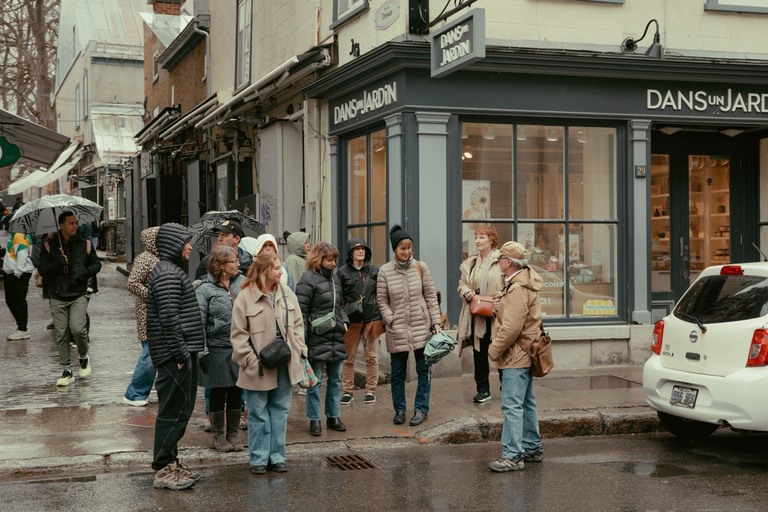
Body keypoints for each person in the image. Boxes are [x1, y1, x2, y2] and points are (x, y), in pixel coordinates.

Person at [231, 251, 308, 475]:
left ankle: (277, 457)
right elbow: (237, 335)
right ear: (264, 270)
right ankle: (258, 459)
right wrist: (250, 361)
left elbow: (299, 325)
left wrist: (300, 350)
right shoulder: (245, 297)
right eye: (277, 268)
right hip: (257, 367)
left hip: (285, 363)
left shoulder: (287, 293)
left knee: (281, 411)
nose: (281, 271)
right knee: (257, 413)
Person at [146, 222, 205, 490]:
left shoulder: (168, 270)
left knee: (179, 410)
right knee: (173, 412)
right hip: (175, 356)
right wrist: (181, 354)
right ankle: (163, 469)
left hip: (178, 353)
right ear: (173, 244)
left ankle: (171, 461)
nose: (190, 246)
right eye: (186, 242)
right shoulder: (168, 273)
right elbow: (169, 318)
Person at [487, 241, 544, 473]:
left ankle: (513, 455)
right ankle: (531, 447)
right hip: (524, 352)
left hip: (515, 355)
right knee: (526, 402)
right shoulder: (520, 282)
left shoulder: (518, 288)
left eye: (499, 258)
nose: (498, 262)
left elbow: (511, 328)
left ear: (508, 262)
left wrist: (493, 350)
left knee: (511, 405)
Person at [377, 225, 441, 427]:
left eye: (409, 248)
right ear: (395, 249)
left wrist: (436, 322)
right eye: (402, 248)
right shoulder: (385, 271)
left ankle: (421, 409)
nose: (406, 252)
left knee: (424, 370)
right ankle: (400, 409)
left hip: (421, 327)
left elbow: (431, 296)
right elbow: (381, 300)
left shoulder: (421, 267)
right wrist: (391, 319)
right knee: (397, 373)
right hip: (397, 329)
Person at [38, 211, 101, 387]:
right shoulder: (49, 246)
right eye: (71, 223)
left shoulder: (86, 244)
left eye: (76, 223)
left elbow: (96, 264)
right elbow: (42, 269)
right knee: (62, 332)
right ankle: (66, 370)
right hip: (57, 295)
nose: (75, 226)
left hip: (78, 294)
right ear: (62, 226)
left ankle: (83, 356)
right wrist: (58, 263)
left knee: (78, 329)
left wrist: (85, 272)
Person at [295, 241, 349, 437]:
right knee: (314, 381)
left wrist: (345, 322)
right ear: (318, 258)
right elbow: (301, 311)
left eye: (335, 259)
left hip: (336, 335)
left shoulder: (334, 279)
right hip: (316, 338)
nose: (334, 263)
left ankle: (333, 416)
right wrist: (303, 341)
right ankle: (314, 419)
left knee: (335, 379)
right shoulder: (307, 279)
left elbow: (341, 305)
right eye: (329, 259)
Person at [196, 245, 246, 453]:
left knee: (236, 389)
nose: (238, 264)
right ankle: (218, 435)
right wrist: (202, 351)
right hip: (216, 348)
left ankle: (233, 434)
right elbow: (199, 322)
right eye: (234, 261)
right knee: (218, 390)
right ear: (221, 266)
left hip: (239, 346)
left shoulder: (242, 283)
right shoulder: (204, 289)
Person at [457, 226, 504, 403]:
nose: (477, 241)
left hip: (496, 314)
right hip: (477, 314)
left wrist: (499, 298)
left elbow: (508, 283)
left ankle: (506, 386)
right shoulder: (471, 262)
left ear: (492, 240)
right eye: (476, 237)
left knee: (499, 350)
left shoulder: (500, 259)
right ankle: (483, 389)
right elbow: (461, 283)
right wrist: (466, 292)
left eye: (482, 237)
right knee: (479, 351)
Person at [337, 238, 384, 405]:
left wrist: (381, 314)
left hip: (372, 319)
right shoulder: (342, 272)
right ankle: (347, 391)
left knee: (371, 357)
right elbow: (339, 297)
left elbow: (382, 294)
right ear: (351, 252)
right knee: (348, 358)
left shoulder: (374, 270)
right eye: (357, 249)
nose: (361, 252)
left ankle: (371, 390)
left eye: (363, 249)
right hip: (351, 321)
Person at [123, 227, 160, 407]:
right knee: (150, 354)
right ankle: (134, 393)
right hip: (147, 311)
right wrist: (152, 295)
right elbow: (132, 283)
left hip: (157, 310)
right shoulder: (146, 259)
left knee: (154, 353)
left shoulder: (161, 258)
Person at [3, 231, 34, 340]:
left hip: (17, 274)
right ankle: (22, 326)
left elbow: (22, 254)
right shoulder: (16, 236)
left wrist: (18, 273)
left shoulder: (19, 236)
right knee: (12, 300)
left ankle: (23, 329)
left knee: (18, 300)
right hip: (13, 273)